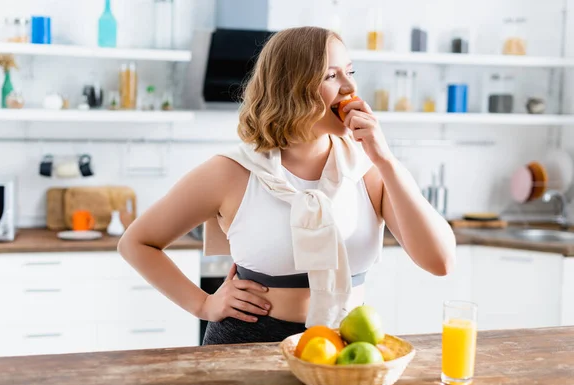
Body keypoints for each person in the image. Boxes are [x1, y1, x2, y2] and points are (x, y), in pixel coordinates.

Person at [117, 26, 456, 346]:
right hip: (246, 343)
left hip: (345, 344)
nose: (350, 89)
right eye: (331, 76)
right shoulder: (230, 171)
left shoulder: (369, 170)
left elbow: (439, 262)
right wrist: (203, 306)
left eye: (350, 72)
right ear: (291, 88)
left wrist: (386, 161)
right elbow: (137, 242)